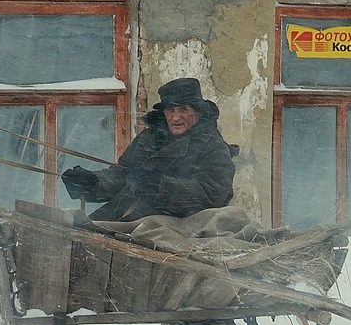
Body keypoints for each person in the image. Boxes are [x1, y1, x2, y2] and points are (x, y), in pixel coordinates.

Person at [61, 77, 238, 223]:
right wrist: (93, 182)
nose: (176, 117)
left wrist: (162, 188)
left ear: (197, 112)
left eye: (183, 109)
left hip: (174, 230)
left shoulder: (214, 149)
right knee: (75, 229)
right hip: (125, 216)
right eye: (171, 109)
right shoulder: (150, 137)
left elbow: (209, 196)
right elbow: (124, 173)